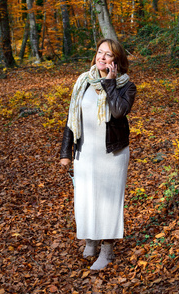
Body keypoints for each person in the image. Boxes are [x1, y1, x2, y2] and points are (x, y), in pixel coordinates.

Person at [59, 38, 137, 270]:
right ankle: (91, 240)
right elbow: (72, 117)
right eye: (100, 52)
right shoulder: (83, 81)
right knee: (86, 198)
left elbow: (118, 112)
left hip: (112, 153)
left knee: (109, 203)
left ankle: (108, 249)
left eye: (108, 55)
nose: (102, 57)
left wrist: (109, 83)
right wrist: (66, 151)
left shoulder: (126, 86)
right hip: (85, 151)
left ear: (117, 61)